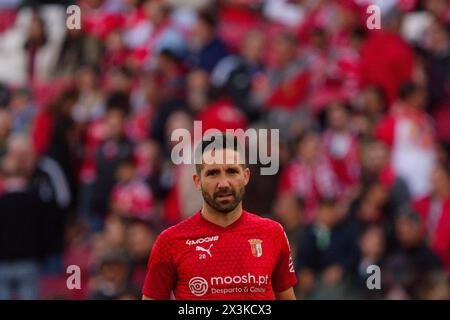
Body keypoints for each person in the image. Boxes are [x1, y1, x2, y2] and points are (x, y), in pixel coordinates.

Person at [142, 133, 297, 300]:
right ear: (197, 181)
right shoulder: (170, 242)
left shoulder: (272, 233)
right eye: (213, 173)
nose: (223, 183)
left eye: (231, 171)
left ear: (245, 176)